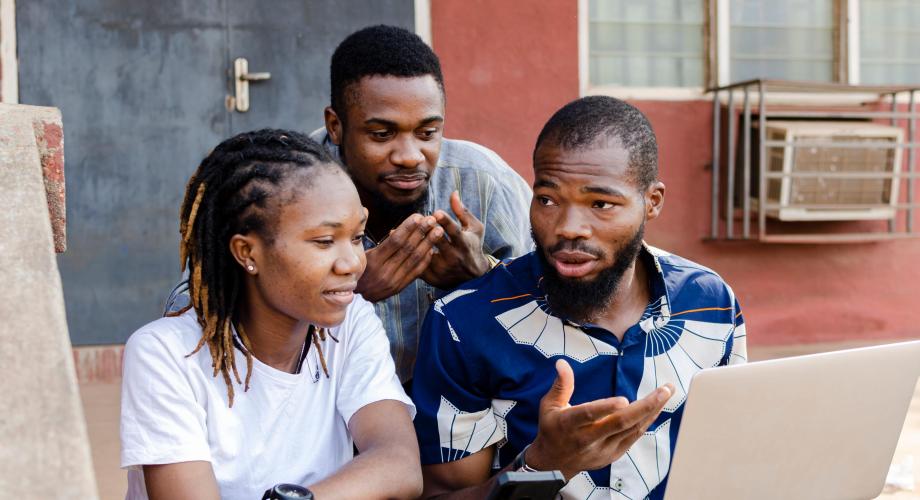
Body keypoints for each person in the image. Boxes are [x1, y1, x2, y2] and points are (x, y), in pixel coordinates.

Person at [410, 96, 748, 499]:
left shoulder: (710, 302)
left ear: (651, 202)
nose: (568, 228)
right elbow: (441, 495)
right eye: (548, 199)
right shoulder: (463, 324)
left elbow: (732, 454)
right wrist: (542, 464)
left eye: (600, 204)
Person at [121, 130, 421, 500]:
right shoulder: (165, 354)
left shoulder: (351, 323)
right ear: (247, 252)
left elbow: (399, 464)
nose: (352, 263)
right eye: (325, 241)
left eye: (357, 237)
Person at [311, 25, 533, 382]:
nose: (410, 156)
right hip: (328, 405)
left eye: (427, 133)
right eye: (382, 134)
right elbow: (228, 322)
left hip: (462, 405)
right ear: (335, 126)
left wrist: (482, 275)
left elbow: (554, 308)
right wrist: (349, 290)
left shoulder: (486, 181)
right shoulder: (289, 188)